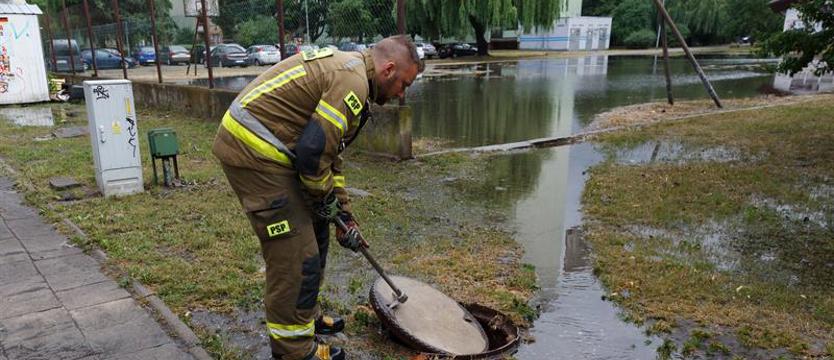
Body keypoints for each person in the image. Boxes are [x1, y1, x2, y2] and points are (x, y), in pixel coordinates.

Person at [211, 35, 423, 360]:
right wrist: (325, 201)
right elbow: (311, 154)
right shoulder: (352, 82)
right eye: (403, 84)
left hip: (278, 154)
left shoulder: (356, 77)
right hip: (254, 152)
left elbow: (328, 157)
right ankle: (294, 350)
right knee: (297, 255)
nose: (401, 94)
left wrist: (344, 215)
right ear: (389, 69)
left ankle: (304, 318)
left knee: (319, 231)